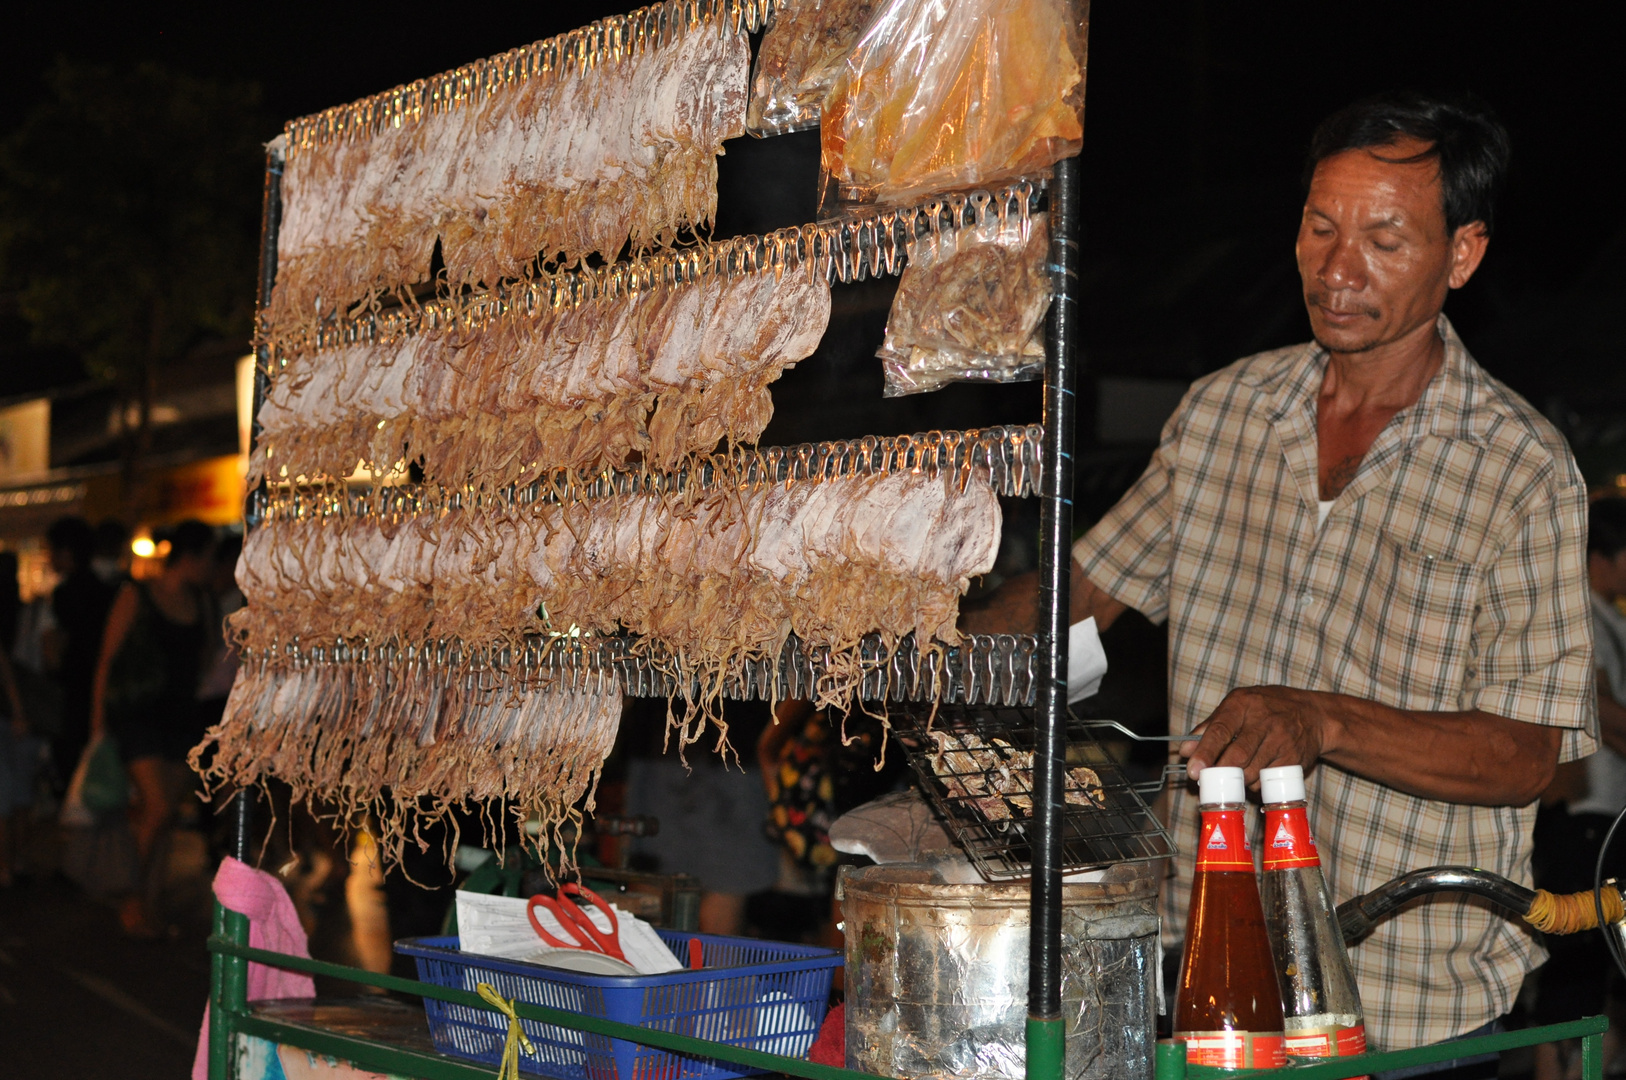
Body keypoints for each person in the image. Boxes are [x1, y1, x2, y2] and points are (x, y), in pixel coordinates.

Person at [971, 93, 1594, 1060]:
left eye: (1385, 239)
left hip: (1407, 1002)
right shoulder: (1224, 413)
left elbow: (1527, 754)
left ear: (1462, 255)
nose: (1338, 270)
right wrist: (924, 651)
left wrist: (1324, 719)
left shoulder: (1522, 469)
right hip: (1215, 972)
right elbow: (1082, 593)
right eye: (1319, 227)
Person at [1531, 497, 1626, 1080]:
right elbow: (1601, 709)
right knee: (1579, 964)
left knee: (1597, 968)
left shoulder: (1606, 614)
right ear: (1605, 555)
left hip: (1602, 814)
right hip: (1582, 817)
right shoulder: (1580, 616)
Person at [90, 519, 216, 935]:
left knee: (161, 818)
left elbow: (204, 660)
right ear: (192, 556)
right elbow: (107, 658)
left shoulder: (202, 602)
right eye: (209, 557)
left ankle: (150, 904)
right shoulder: (138, 594)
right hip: (137, 715)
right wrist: (97, 726)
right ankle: (131, 898)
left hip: (181, 717)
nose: (213, 566)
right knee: (158, 806)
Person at [44, 516, 116, 783]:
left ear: (66, 552)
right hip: (105, 683)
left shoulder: (63, 594)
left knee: (72, 762)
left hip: (72, 686)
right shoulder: (106, 589)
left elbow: (54, 647)